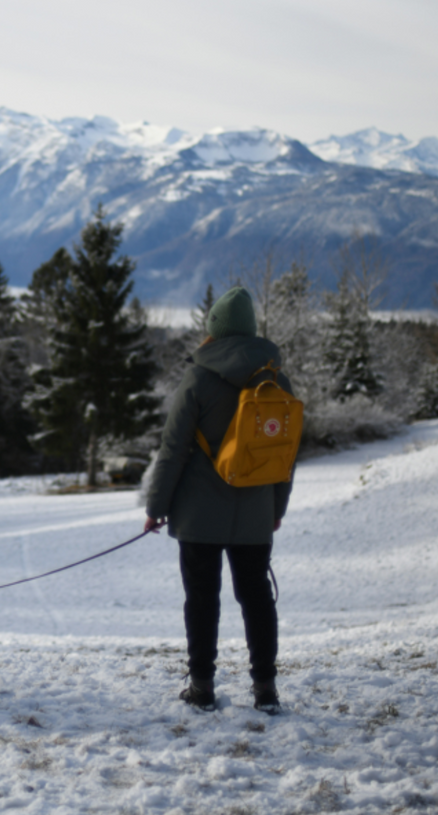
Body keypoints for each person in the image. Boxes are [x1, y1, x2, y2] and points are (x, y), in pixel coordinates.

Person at [143, 285, 292, 713]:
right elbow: (285, 454)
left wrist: (156, 508)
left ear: (214, 330)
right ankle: (265, 689)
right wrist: (276, 509)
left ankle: (202, 686)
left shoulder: (199, 378)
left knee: (202, 599)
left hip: (198, 514)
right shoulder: (276, 380)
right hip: (255, 512)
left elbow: (173, 449)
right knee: (257, 598)